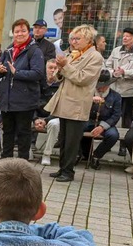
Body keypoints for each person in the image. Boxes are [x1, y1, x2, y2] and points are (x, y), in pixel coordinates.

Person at [45, 24, 104, 183]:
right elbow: (63, 76)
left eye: (78, 39)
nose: (73, 42)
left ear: (89, 40)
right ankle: (62, 168)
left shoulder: (95, 57)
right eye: (72, 38)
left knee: (72, 140)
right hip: (64, 102)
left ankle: (68, 172)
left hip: (77, 104)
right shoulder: (73, 54)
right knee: (63, 139)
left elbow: (82, 78)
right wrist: (56, 72)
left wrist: (65, 66)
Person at [0, 19, 45, 161]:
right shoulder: (8, 50)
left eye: (23, 31)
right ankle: (5, 161)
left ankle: (22, 164)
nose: (20, 34)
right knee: (7, 132)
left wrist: (16, 73)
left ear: (28, 32)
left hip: (25, 100)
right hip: (7, 99)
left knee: (23, 133)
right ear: (13, 33)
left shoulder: (34, 50)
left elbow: (38, 73)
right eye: (17, 31)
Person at [106, 27, 133, 155]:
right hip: (113, 89)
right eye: (124, 36)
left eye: (128, 36)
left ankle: (123, 145)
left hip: (128, 91)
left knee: (126, 119)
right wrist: (113, 72)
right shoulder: (116, 50)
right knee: (108, 116)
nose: (125, 38)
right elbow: (107, 65)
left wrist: (125, 72)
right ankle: (107, 142)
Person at [81, 78, 123, 170]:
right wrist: (90, 100)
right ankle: (84, 154)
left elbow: (116, 115)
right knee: (76, 130)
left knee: (113, 135)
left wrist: (102, 126)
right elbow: (79, 106)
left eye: (103, 86)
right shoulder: (88, 93)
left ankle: (96, 156)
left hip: (107, 122)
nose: (100, 88)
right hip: (88, 120)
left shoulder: (116, 96)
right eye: (98, 85)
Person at [35, 60, 64, 167]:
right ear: (45, 69)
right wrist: (35, 118)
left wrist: (46, 120)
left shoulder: (62, 85)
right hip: (37, 115)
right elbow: (30, 103)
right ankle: (26, 151)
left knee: (54, 124)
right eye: (50, 67)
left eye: (55, 68)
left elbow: (61, 107)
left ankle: (47, 154)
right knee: (23, 117)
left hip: (53, 116)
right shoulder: (37, 83)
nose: (52, 70)